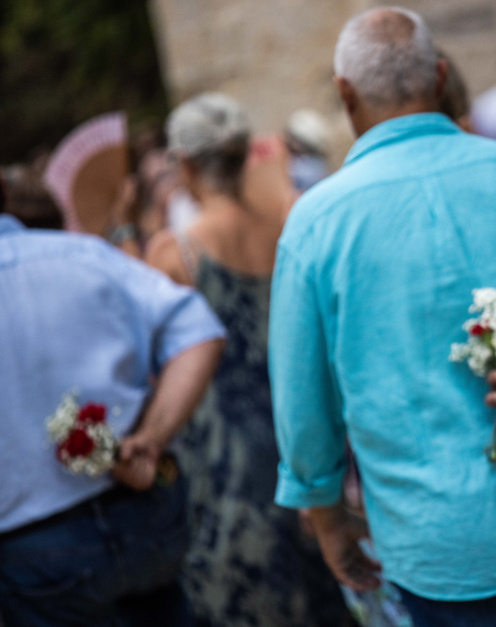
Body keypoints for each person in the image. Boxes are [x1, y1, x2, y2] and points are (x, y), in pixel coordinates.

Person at [269, 7, 496, 627]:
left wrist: (326, 518)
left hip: (441, 538)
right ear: (440, 76)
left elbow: (304, 403)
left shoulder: (316, 223)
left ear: (344, 93)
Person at [146, 93, 349, 627]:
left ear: (186, 165)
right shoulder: (288, 226)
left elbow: (152, 362)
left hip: (224, 463)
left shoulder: (176, 253)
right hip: (305, 437)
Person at [0, 184, 226, 626]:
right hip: (148, 517)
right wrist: (152, 437)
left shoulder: (82, 253)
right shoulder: (83, 256)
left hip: (34, 550)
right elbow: (197, 330)